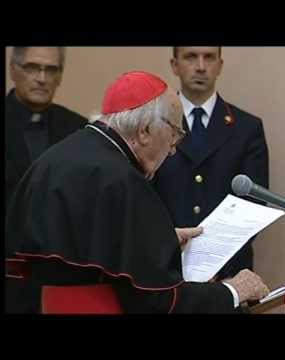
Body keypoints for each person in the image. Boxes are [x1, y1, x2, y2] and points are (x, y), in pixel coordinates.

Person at [5, 71, 270, 314]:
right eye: (175, 134)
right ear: (145, 132)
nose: (173, 149)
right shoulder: (123, 180)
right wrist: (233, 291)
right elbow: (158, 301)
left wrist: (158, 240)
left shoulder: (58, 157)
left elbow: (92, 245)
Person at [152, 47, 269, 281]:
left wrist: (213, 260)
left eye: (209, 57)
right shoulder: (155, 126)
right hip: (167, 270)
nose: (201, 66)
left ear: (220, 65)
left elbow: (254, 205)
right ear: (175, 65)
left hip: (229, 272)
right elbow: (145, 199)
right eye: (191, 56)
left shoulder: (246, 128)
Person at [5, 46, 88, 313]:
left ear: (60, 76)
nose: (42, 77)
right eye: (32, 67)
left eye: (51, 69)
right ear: (13, 70)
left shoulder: (79, 129)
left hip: (61, 278)